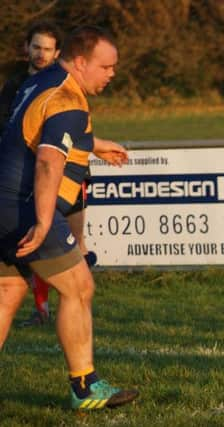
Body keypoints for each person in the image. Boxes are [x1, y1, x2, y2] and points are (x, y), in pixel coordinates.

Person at [0, 25, 137, 410]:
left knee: (7, 293)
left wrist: (94, 144)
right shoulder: (69, 100)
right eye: (106, 66)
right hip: (24, 206)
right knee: (78, 286)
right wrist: (43, 222)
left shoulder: (42, 81)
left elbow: (32, 131)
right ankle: (85, 386)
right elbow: (47, 160)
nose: (112, 74)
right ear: (81, 62)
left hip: (2, 202)